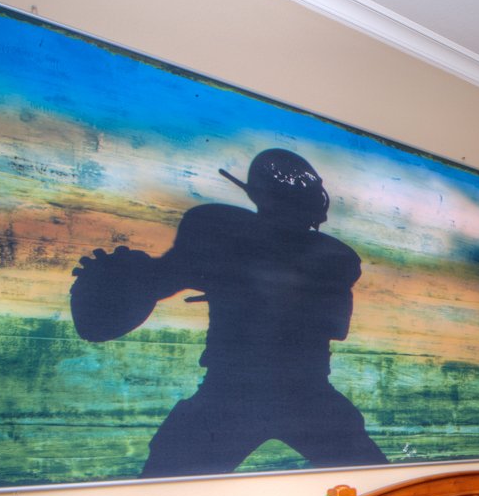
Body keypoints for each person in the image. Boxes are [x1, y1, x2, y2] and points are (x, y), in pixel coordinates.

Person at [71, 149, 388, 476]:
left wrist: (133, 276)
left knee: (166, 482)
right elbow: (334, 325)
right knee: (372, 481)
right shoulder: (334, 256)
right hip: (285, 392)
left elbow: (165, 278)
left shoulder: (225, 232)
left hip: (242, 392)